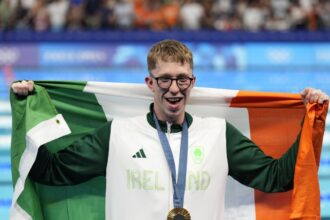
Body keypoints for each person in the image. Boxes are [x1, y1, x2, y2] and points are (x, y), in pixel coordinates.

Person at [11, 39, 329, 220]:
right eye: (165, 79)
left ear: (193, 83)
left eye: (182, 79)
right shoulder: (118, 133)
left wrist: (310, 122)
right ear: (150, 83)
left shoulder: (219, 133)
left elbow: (278, 177)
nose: (174, 88)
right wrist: (27, 109)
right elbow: (51, 172)